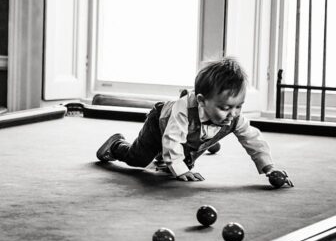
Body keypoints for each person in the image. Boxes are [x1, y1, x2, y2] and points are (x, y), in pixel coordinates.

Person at [96, 57, 294, 186]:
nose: (233, 113)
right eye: (225, 108)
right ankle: (116, 146)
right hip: (161, 123)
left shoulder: (233, 117)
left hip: (192, 135)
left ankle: (177, 157)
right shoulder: (184, 110)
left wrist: (269, 167)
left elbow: (252, 140)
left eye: (238, 106)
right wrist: (179, 168)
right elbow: (173, 138)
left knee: (182, 163)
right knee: (138, 159)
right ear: (201, 101)